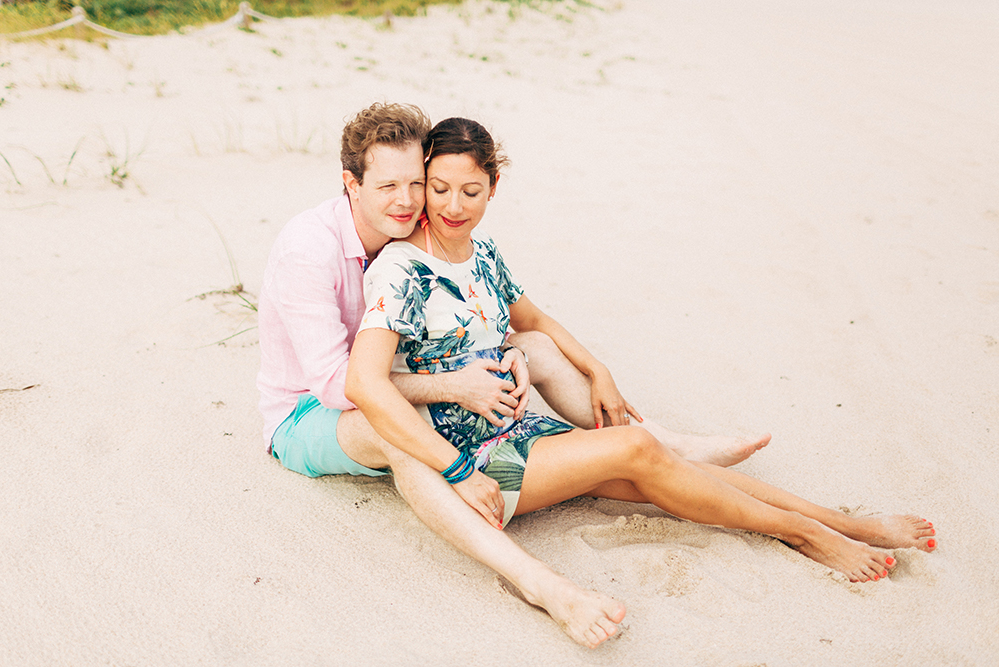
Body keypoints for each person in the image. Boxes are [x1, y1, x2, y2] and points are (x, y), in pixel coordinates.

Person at [345, 117, 939, 645]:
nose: (452, 205)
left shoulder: (481, 253)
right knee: (637, 446)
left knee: (675, 475)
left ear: (493, 189)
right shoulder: (402, 270)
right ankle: (809, 535)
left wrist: (598, 369)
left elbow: (532, 322)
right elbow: (366, 382)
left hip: (524, 431)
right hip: (482, 464)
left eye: (471, 191)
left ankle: (837, 522)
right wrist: (455, 468)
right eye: (440, 188)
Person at [257, 102, 772, 648]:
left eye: (415, 182)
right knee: (397, 431)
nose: (407, 200)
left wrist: (520, 352)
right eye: (387, 185)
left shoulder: (417, 227)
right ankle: (540, 584)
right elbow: (343, 386)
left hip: (385, 378)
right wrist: (456, 403)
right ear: (350, 184)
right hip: (308, 413)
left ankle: (667, 445)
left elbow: (464, 318)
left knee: (534, 348)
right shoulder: (308, 251)